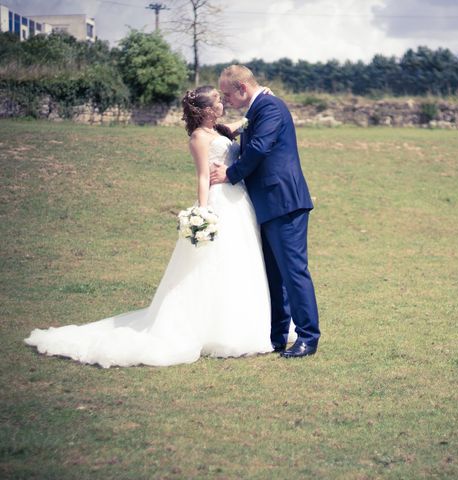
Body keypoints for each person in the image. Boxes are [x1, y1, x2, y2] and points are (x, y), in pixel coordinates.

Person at [24, 86, 275, 367]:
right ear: (205, 110)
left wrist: (261, 99)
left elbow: (240, 124)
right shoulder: (198, 137)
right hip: (219, 200)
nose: (222, 102)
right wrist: (203, 212)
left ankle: (240, 322)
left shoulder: (219, 130)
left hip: (238, 202)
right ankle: (214, 329)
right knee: (213, 263)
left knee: (238, 260)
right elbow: (203, 176)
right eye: (217, 100)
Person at [210, 65, 320, 358]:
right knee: (274, 275)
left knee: (294, 272)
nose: (226, 99)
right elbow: (248, 136)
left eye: (227, 93)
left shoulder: (269, 106)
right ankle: (276, 336)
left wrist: (230, 174)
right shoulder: (257, 108)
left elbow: (259, 148)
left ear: (243, 88)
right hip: (267, 204)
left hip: (284, 201)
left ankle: (308, 337)